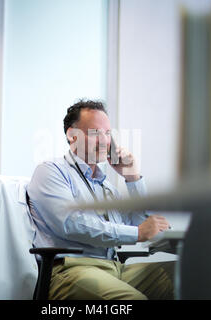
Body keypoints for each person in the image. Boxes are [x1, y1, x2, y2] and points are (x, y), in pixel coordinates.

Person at [27, 99, 174, 300]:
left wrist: (133, 178)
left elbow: (143, 223)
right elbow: (72, 224)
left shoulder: (105, 186)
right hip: (72, 271)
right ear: (72, 135)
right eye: (96, 133)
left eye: (107, 133)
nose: (105, 141)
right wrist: (137, 233)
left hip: (114, 269)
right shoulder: (51, 171)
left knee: (187, 275)